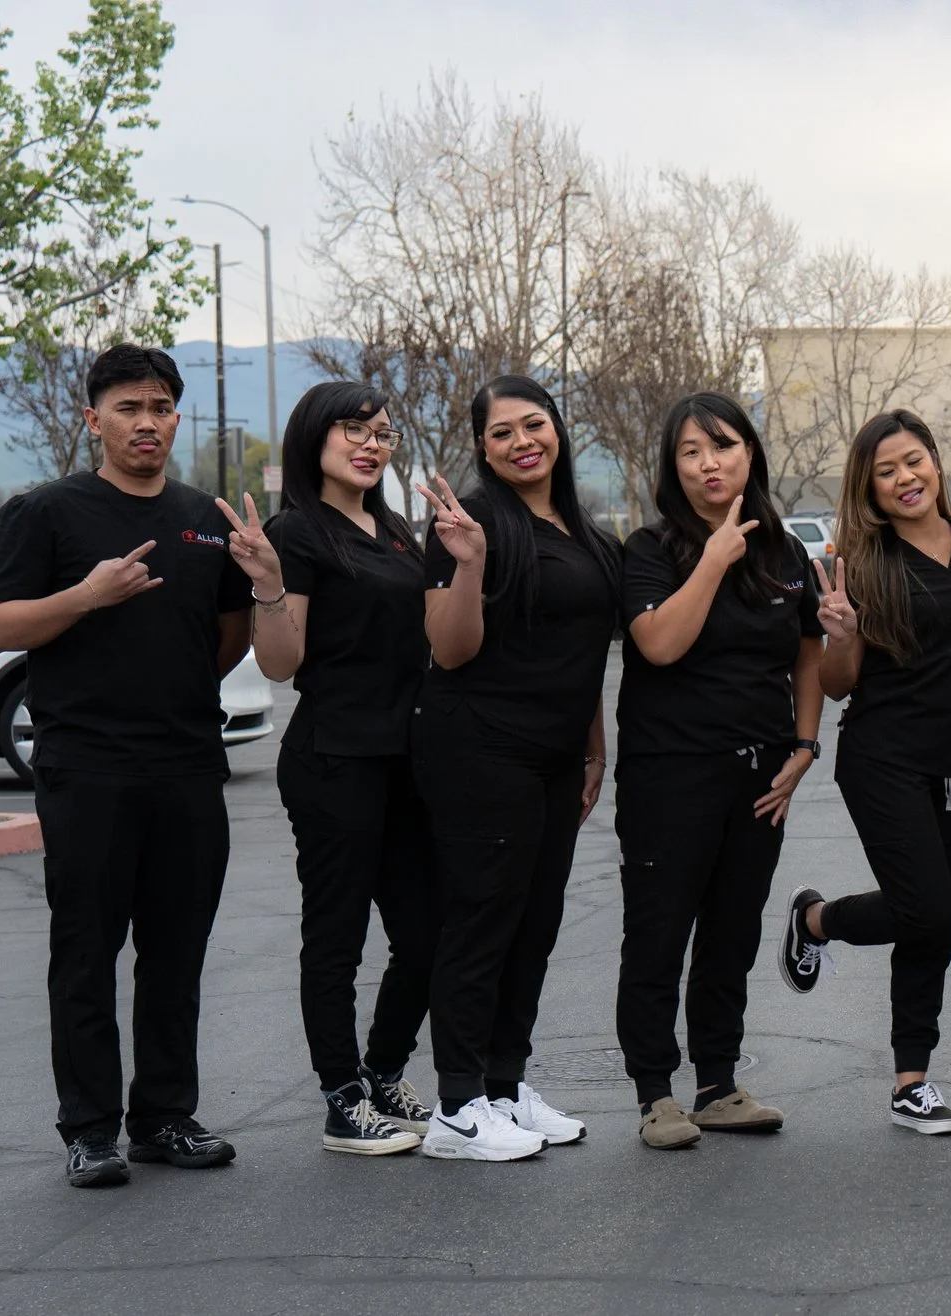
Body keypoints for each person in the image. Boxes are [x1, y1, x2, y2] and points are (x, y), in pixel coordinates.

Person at [0, 344, 253, 1188]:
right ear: (92, 419)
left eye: (161, 407)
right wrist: (86, 597)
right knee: (86, 953)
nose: (147, 422)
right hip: (86, 768)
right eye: (129, 408)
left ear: (178, 417)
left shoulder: (204, 517)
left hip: (185, 765)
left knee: (177, 954)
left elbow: (228, 632)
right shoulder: (47, 512)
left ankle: (165, 1117)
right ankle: (91, 1128)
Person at [412, 375, 622, 1161]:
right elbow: (451, 649)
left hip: (556, 755)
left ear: (558, 430)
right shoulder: (467, 526)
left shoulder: (584, 529)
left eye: (533, 424)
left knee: (534, 924)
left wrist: (594, 746)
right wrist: (468, 564)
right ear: (482, 448)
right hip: (479, 749)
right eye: (501, 433)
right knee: (484, 921)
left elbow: (582, 653)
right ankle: (458, 1106)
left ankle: (504, 1085)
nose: (521, 441)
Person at [230, 382, 435, 1158]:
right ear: (314, 439)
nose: (370, 443)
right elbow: (281, 664)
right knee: (338, 937)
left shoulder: (395, 530)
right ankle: (340, 1096)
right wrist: (269, 585)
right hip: (334, 759)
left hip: (406, 761)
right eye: (352, 429)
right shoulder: (298, 533)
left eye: (381, 432)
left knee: (426, 933)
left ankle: (383, 1070)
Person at [615, 394, 822, 1151]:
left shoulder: (784, 551)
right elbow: (659, 644)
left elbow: (807, 652)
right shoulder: (649, 548)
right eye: (691, 452)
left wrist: (804, 747)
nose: (710, 463)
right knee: (659, 935)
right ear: (673, 468)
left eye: (724, 446)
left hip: (761, 777)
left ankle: (717, 1084)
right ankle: (654, 1095)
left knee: (732, 935)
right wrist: (710, 560)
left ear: (750, 454)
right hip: (670, 776)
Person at [776, 410, 951, 1135]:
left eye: (913, 461)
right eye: (886, 470)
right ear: (868, 487)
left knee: (935, 924)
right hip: (886, 759)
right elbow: (838, 684)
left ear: (936, 460)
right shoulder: (862, 565)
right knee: (925, 908)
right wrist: (841, 633)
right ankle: (814, 919)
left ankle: (911, 1083)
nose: (905, 478)